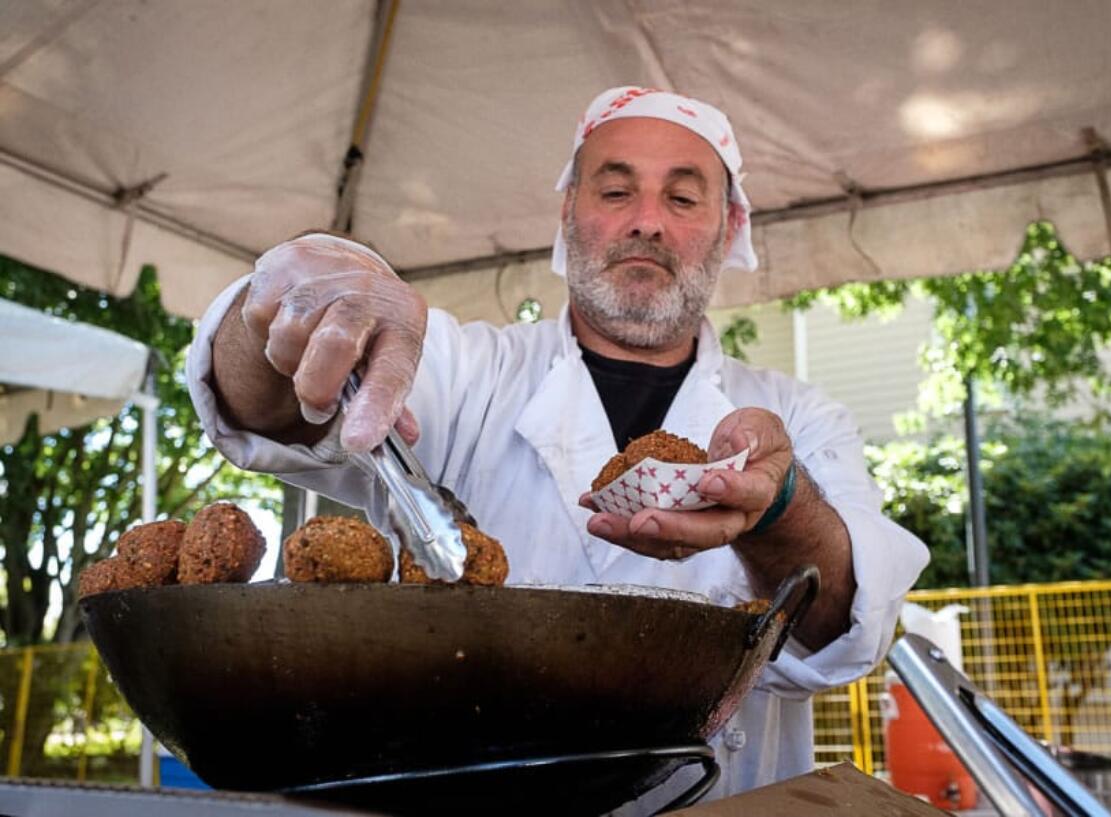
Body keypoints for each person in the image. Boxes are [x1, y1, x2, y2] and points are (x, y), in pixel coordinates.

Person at [187, 86, 928, 812]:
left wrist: (781, 509)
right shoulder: (468, 370)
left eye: (682, 197)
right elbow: (265, 406)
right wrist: (280, 307)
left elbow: (844, 632)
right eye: (614, 191)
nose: (646, 222)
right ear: (567, 211)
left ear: (729, 227)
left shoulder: (804, 416)